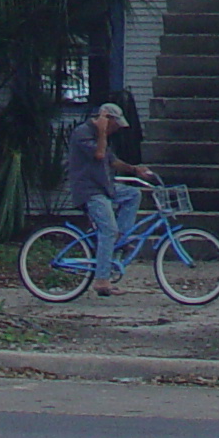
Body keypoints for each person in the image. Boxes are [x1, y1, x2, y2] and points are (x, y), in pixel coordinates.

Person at [64, 100, 152, 295]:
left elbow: (112, 161)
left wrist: (135, 169)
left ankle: (121, 238)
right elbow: (99, 155)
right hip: (90, 191)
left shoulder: (102, 137)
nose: (116, 129)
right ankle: (102, 280)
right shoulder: (83, 133)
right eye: (115, 124)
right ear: (106, 119)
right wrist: (102, 131)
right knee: (108, 230)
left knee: (132, 194)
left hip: (106, 187)